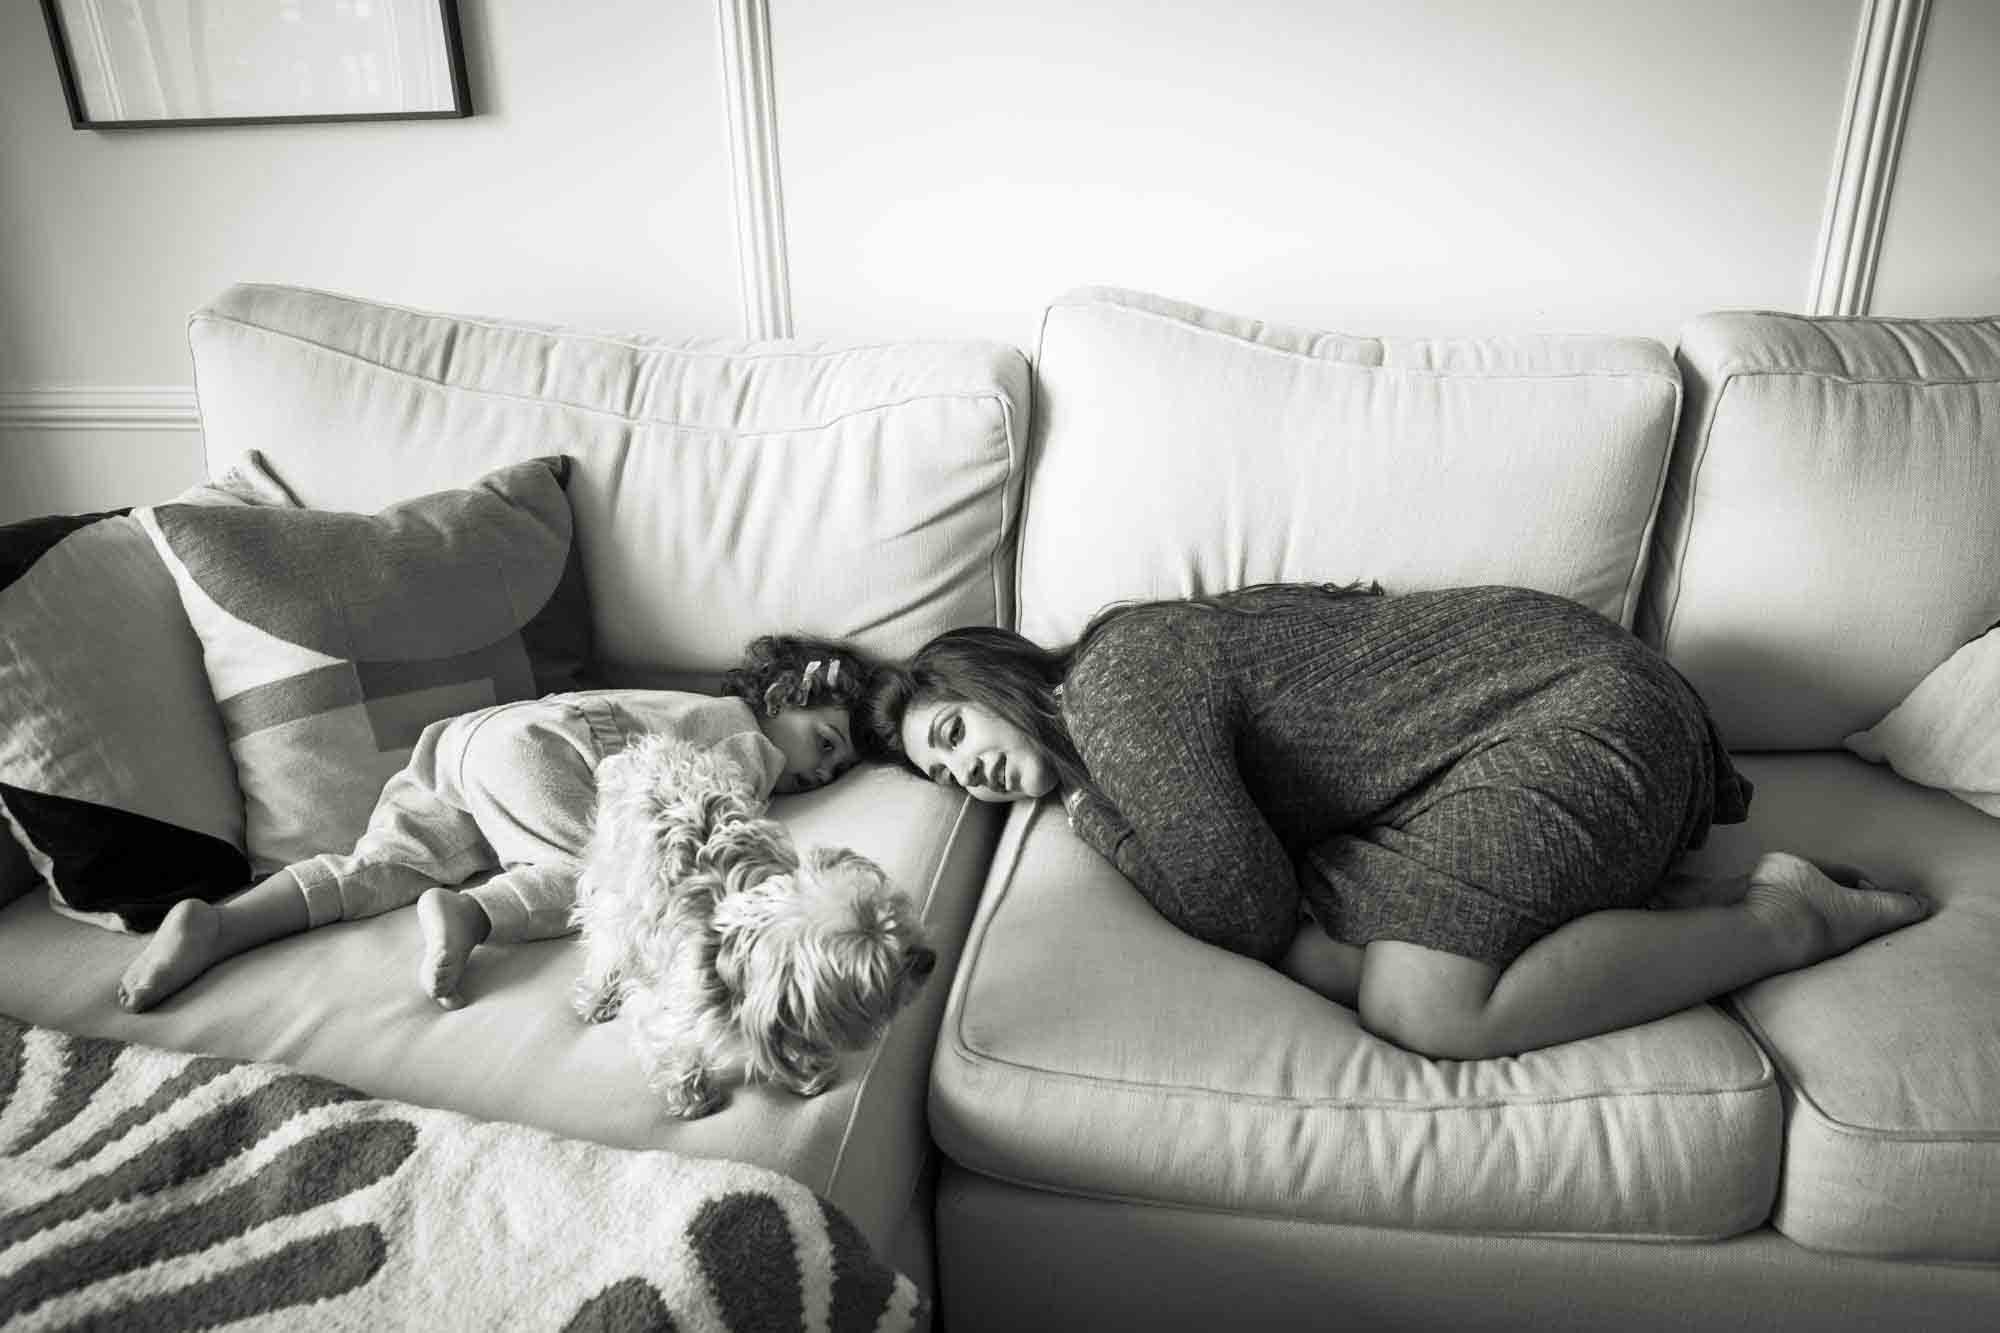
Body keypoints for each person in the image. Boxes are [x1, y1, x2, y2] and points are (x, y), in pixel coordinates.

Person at [860, 583, 1929, 1060]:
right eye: (943, 778)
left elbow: (1238, 909)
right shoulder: (1124, 680)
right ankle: (1666, 904)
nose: (971, 779)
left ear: (992, 676)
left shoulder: (1111, 690)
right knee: (1344, 956)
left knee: (1424, 1009)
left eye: (951, 734)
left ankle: (1788, 921)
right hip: (1489, 744)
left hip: (1572, 705)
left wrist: (1094, 817)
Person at [119, 635, 877, 1014]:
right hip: (547, 755)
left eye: (838, 772)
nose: (821, 772)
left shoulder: (690, 705)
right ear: (785, 693)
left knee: (380, 865)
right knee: (600, 878)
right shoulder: (744, 744)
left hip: (475, 740)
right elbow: (697, 842)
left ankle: (223, 924)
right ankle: (472, 912)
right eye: (826, 743)